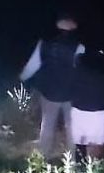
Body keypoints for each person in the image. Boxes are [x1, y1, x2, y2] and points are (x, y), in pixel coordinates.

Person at [19, 13, 85, 158]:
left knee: (47, 125)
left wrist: (21, 78)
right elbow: (82, 71)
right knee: (71, 128)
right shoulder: (79, 47)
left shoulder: (44, 43)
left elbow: (32, 66)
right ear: (73, 28)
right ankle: (73, 162)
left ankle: (43, 158)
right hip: (71, 94)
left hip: (49, 92)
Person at [70, 48, 104, 159]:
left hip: (79, 112)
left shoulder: (77, 68)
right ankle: (97, 171)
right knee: (98, 151)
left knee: (79, 148)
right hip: (99, 113)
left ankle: (79, 172)